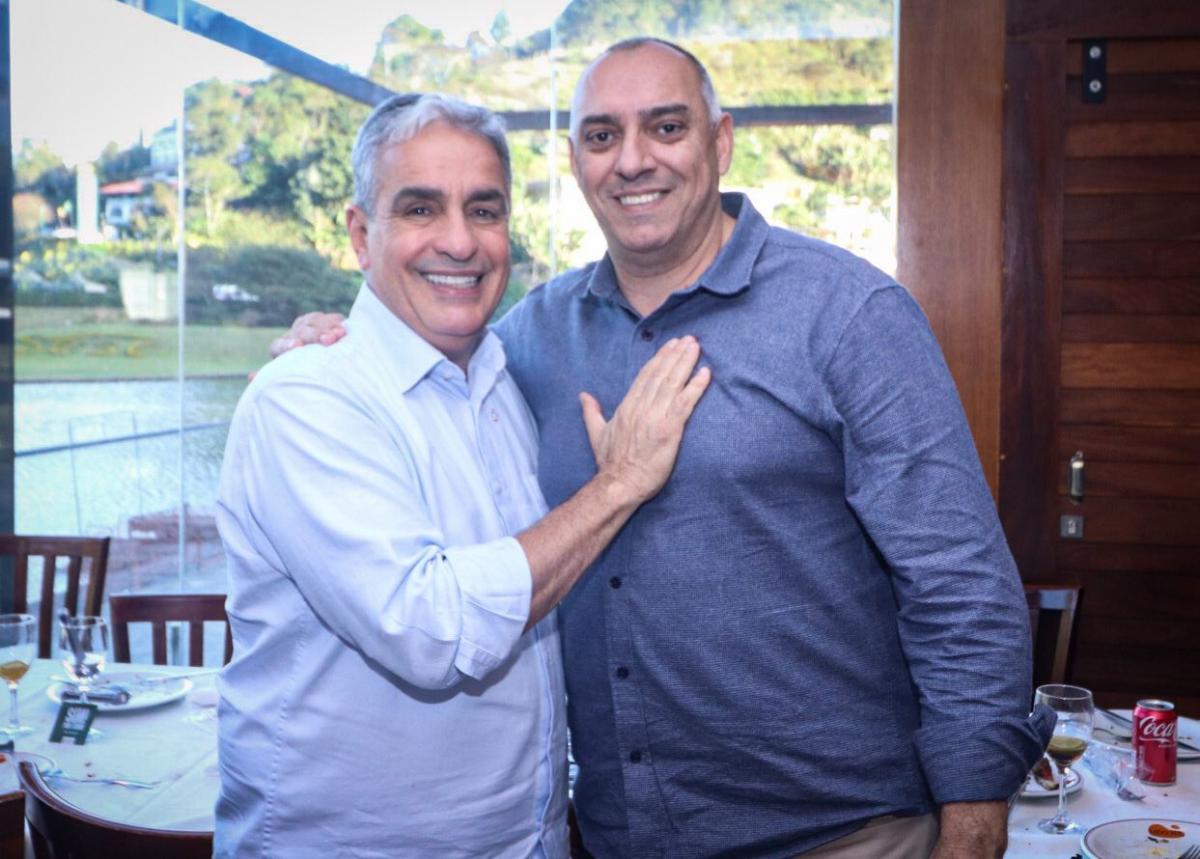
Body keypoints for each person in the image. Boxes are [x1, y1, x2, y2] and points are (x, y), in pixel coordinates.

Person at [274, 39, 1053, 859]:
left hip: (842, 835)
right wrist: (336, 338)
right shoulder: (530, 340)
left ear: (720, 141)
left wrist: (973, 827)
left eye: (667, 127)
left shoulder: (849, 314)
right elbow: (424, 336)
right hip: (619, 837)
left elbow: (960, 584)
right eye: (602, 136)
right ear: (575, 162)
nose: (633, 160)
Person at [215, 92, 710, 859]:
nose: (459, 241)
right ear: (360, 234)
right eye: (420, 209)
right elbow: (432, 629)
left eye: (484, 211)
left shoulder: (508, 377)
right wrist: (619, 484)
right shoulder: (306, 396)